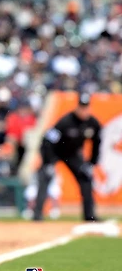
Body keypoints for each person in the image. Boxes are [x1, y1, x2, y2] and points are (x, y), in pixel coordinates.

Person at [33, 92, 102, 222]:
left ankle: (89, 215)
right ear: (77, 107)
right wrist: (48, 163)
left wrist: (91, 163)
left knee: (86, 179)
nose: (84, 110)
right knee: (45, 178)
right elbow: (47, 141)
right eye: (81, 107)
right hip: (55, 152)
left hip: (72, 155)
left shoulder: (92, 123)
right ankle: (37, 215)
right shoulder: (65, 122)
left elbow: (97, 144)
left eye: (86, 107)